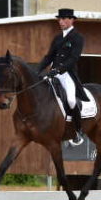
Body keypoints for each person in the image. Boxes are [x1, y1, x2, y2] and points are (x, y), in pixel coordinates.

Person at [38, 8, 89, 145]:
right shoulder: (57, 38)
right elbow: (49, 57)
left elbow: (73, 58)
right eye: (59, 19)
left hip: (67, 74)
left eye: (64, 19)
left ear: (71, 20)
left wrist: (58, 70)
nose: (61, 22)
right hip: (53, 72)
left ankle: (77, 131)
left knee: (72, 101)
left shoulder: (78, 38)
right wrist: (38, 70)